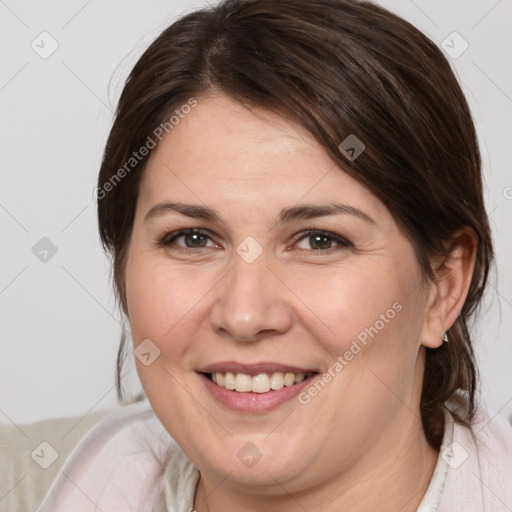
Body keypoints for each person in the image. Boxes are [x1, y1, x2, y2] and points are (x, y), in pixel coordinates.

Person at [36, 0, 512, 510]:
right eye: (192, 238)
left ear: (442, 285)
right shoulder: (86, 476)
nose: (244, 314)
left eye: (319, 240)